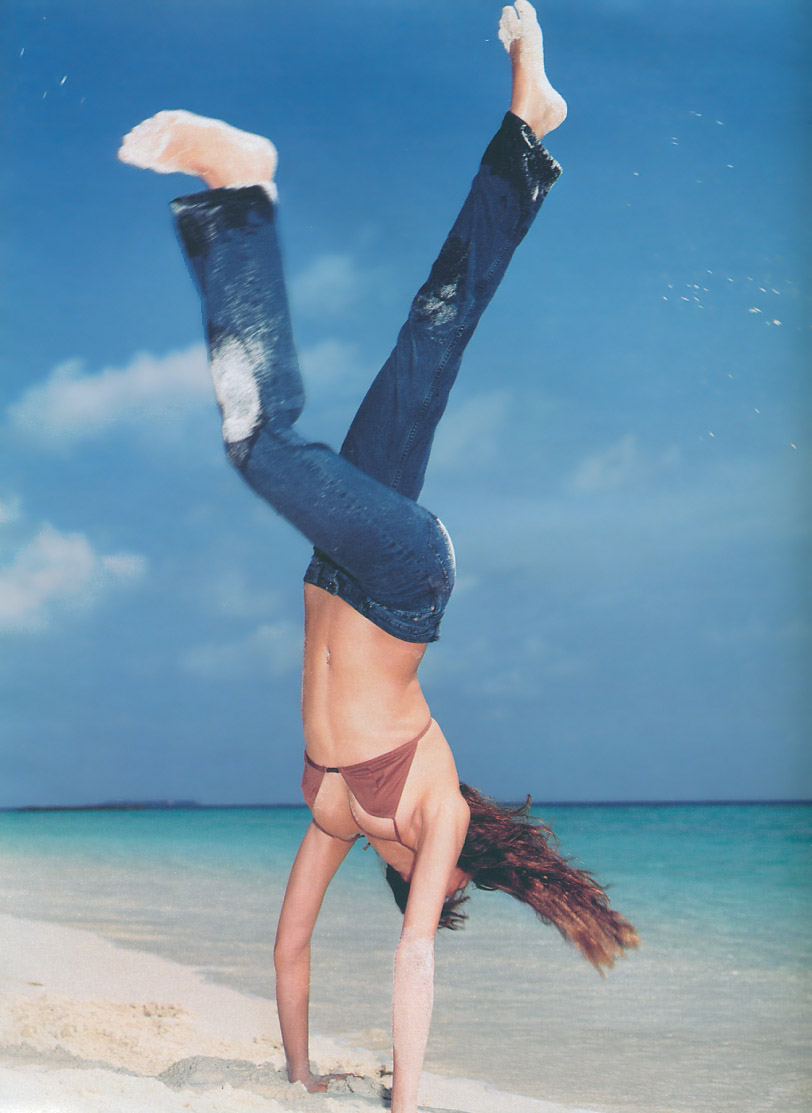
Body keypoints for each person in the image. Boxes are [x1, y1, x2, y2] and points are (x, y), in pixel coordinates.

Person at [119, 4, 637, 1110]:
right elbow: (413, 963)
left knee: (431, 329)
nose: (419, 898)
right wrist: (407, 1102)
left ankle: (527, 132)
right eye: (432, 898)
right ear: (438, 881)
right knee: (261, 441)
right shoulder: (436, 815)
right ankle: (236, 195)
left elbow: (290, 944)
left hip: (338, 564)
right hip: (402, 579)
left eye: (417, 895)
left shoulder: (338, 821)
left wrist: (301, 1076)